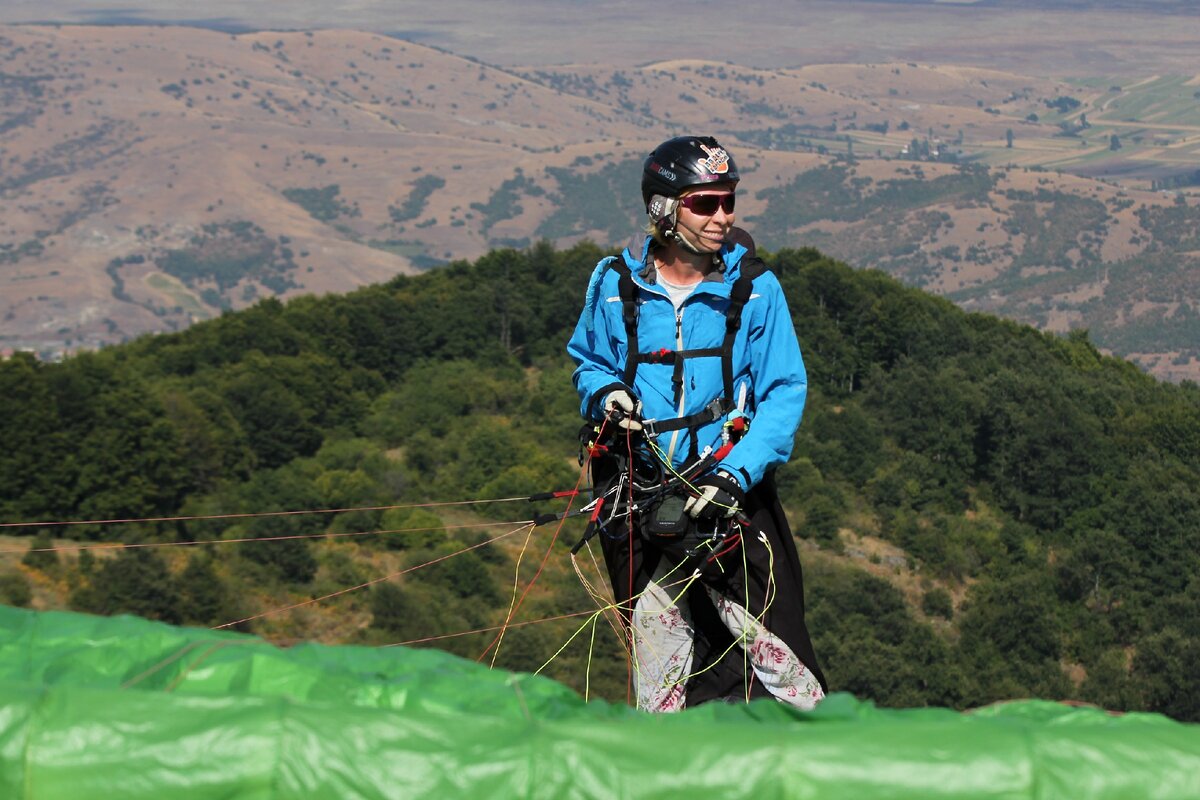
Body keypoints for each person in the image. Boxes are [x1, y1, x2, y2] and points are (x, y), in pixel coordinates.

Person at [567, 135, 827, 711]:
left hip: (730, 493)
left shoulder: (755, 290)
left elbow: (783, 391)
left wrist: (737, 472)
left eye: (728, 202)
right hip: (640, 495)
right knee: (662, 658)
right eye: (705, 203)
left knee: (777, 652)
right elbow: (590, 361)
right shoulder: (615, 286)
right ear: (663, 208)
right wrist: (607, 394)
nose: (722, 217)